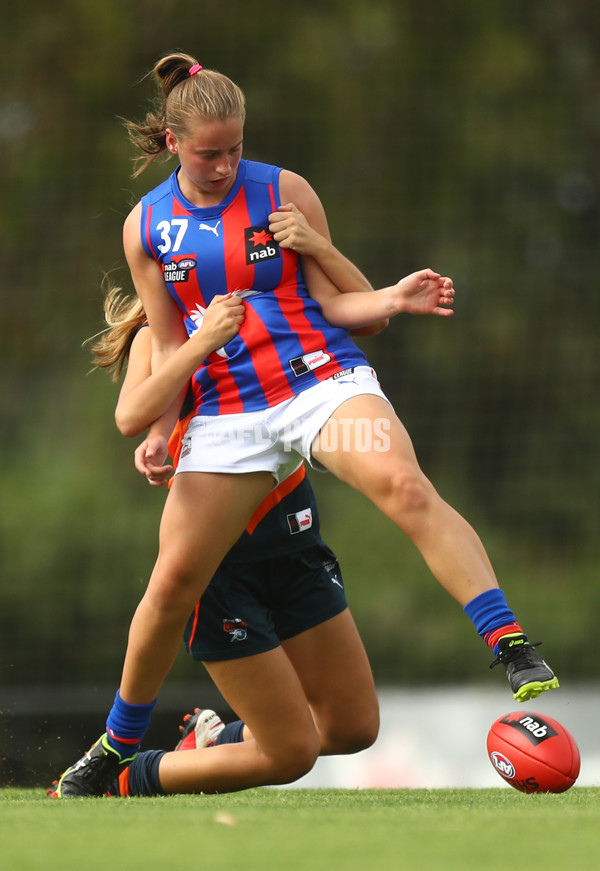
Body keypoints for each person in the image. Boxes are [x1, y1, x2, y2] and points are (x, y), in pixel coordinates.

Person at [52, 52, 558, 798]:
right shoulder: (147, 227)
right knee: (175, 580)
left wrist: (389, 298)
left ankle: (509, 643)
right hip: (228, 413)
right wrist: (163, 428)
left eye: (236, 148)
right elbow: (164, 338)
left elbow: (336, 305)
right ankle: (115, 746)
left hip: (317, 382)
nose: (226, 165)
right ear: (173, 143)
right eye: (209, 153)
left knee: (403, 486)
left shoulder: (284, 191)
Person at [48, 214, 441, 799]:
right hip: (224, 565)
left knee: (353, 727)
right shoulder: (165, 336)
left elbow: (356, 322)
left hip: (295, 543)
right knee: (291, 754)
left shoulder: (280, 307)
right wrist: (159, 434)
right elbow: (139, 412)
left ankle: (214, 738)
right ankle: (124, 775)